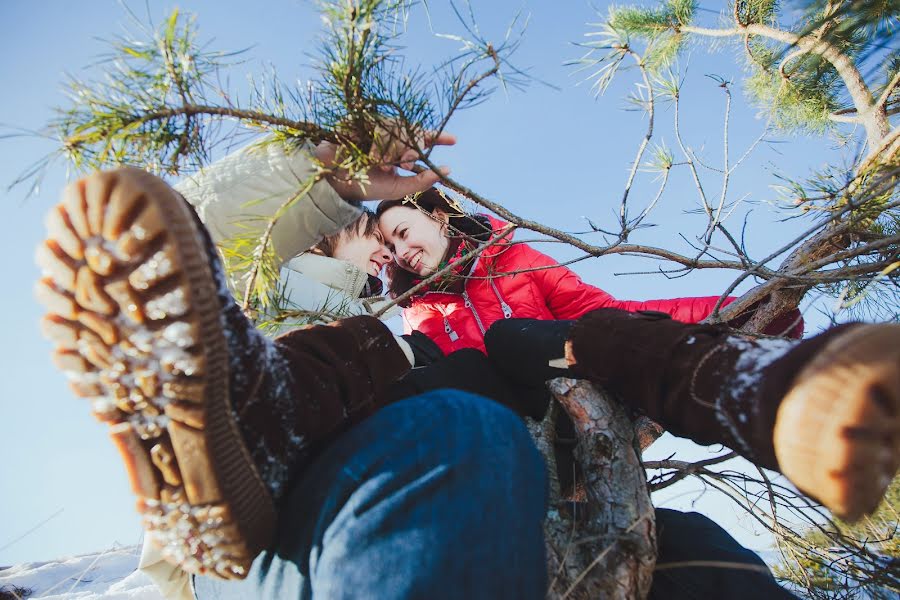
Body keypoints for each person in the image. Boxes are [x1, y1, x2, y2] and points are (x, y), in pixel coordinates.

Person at [36, 143, 898, 599]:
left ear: (448, 221)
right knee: (450, 407)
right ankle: (253, 421)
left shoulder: (505, 276)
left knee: (706, 554)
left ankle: (764, 391)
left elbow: (614, 314)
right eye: (373, 236)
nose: (389, 245)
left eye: (401, 228)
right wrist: (325, 180)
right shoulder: (359, 307)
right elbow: (186, 242)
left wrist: (738, 318)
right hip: (298, 515)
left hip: (561, 502)